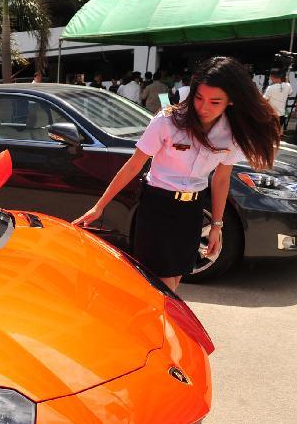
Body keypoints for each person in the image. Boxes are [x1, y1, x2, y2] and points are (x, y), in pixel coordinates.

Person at [73, 56, 279, 292]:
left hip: (191, 212)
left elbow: (221, 179)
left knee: (175, 279)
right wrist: (100, 206)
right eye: (199, 98)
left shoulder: (231, 135)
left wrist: (216, 226)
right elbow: (134, 164)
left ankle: (157, 325)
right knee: (160, 285)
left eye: (215, 102)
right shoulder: (169, 121)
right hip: (157, 207)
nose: (203, 107)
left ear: (230, 101)